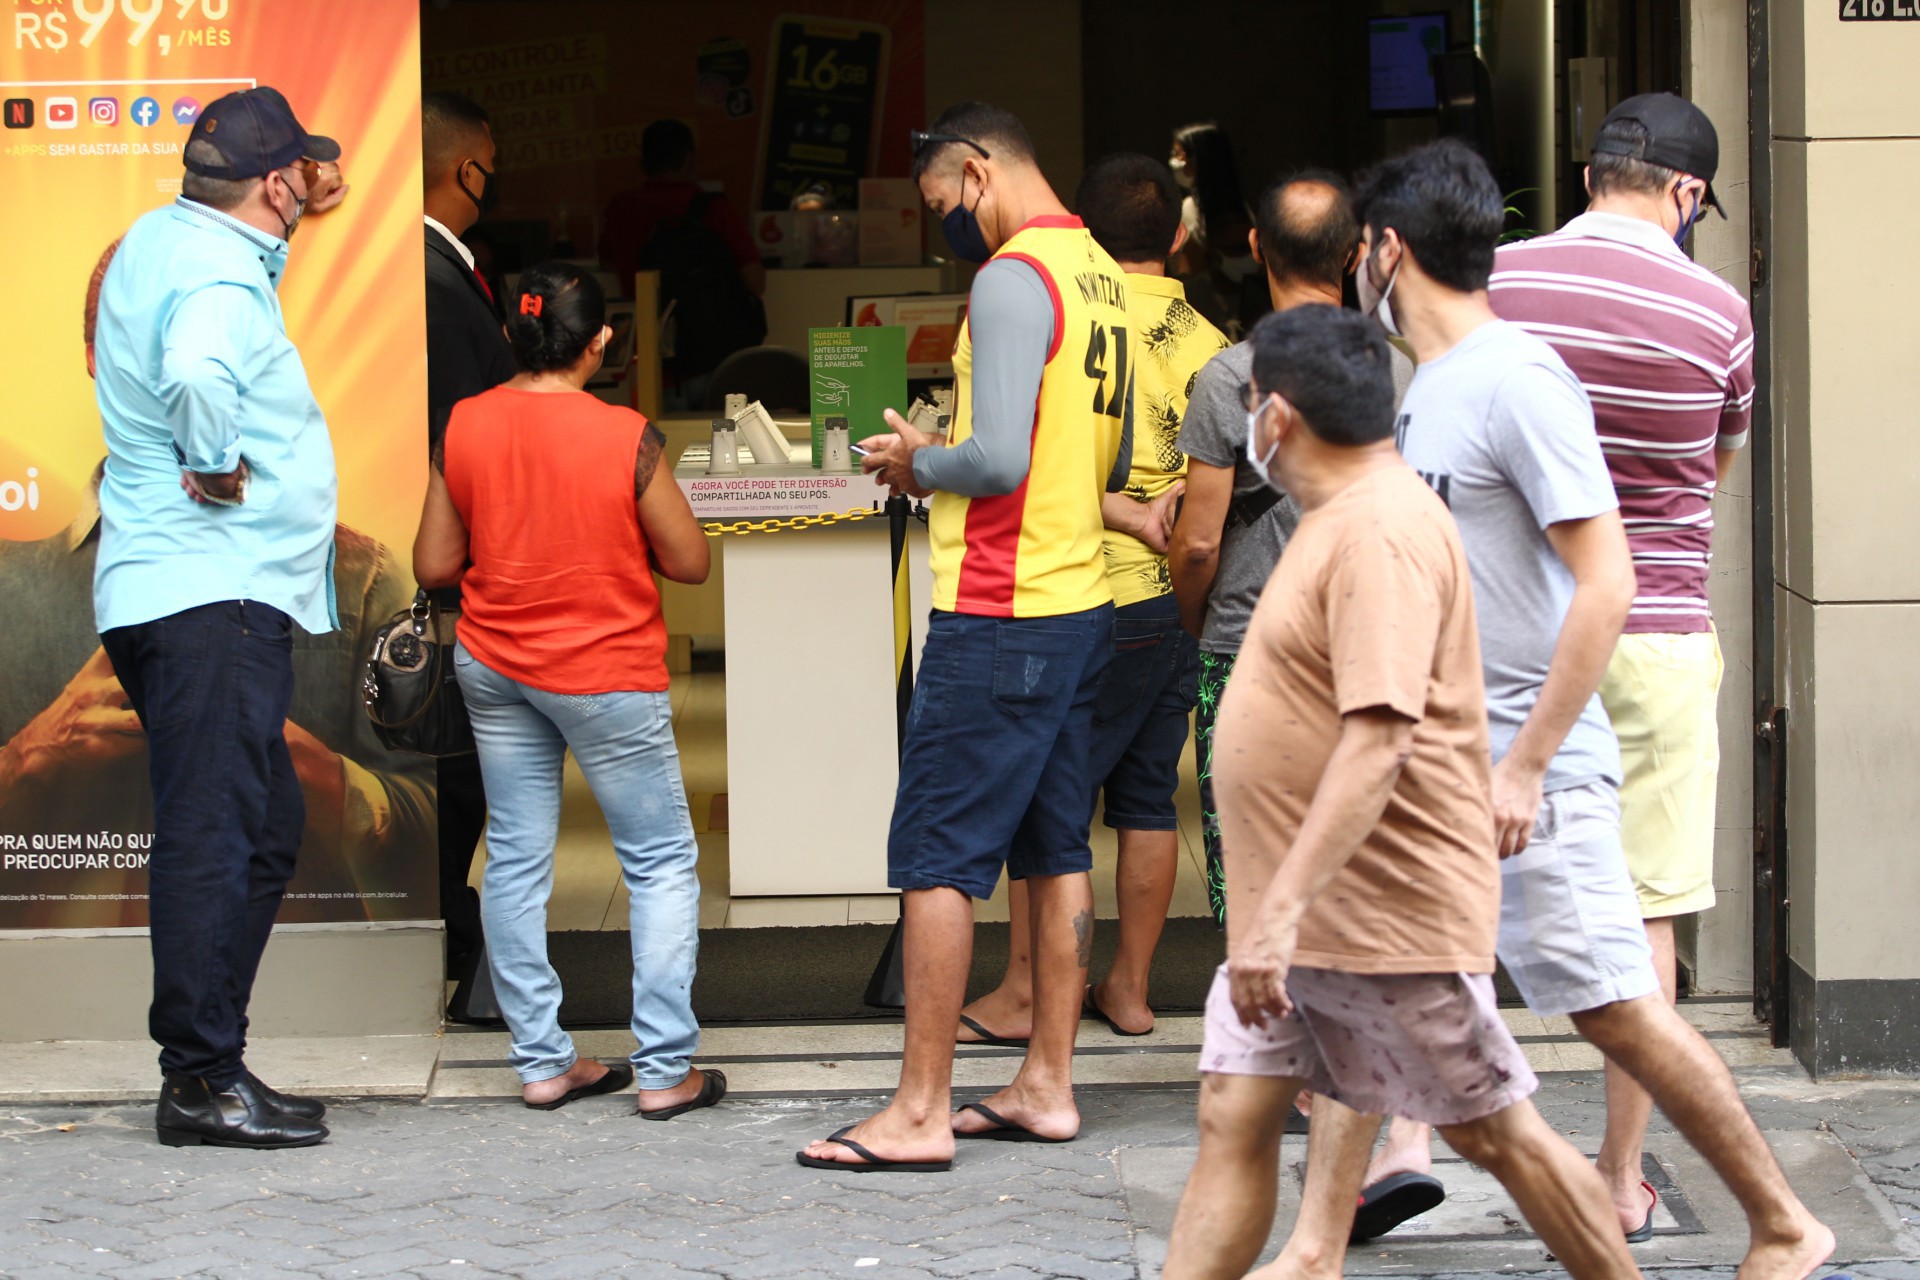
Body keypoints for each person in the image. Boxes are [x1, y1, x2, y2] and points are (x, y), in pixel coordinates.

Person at [1278, 139, 1831, 1280]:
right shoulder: (1428, 389)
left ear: (1386, 250)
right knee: (1369, 980)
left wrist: (1525, 766)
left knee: (1618, 1009)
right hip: (1439, 770)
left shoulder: (1514, 378)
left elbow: (1611, 580)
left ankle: (1785, 1220)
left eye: (1361, 254)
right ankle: (1314, 1247)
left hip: (1526, 776)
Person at [1160, 303, 1644, 1280]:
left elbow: (1380, 737)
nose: (1246, 422)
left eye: (1251, 405)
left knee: (1495, 1132)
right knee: (1234, 1113)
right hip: (1311, 913)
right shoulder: (1343, 516)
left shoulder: (1380, 529)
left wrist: (1279, 911)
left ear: (1280, 416)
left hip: (1377, 912)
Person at [797, 102, 1132, 1170]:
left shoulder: (1012, 276)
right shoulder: (1100, 273)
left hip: (1003, 605)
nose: (951, 227)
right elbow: (1089, 456)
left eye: (946, 204)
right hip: (1083, 598)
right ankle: (1047, 1082)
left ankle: (918, 1109)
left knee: (938, 853)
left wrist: (914, 463)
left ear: (980, 172)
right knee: (1056, 846)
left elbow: (997, 463)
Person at [1488, 92, 1764, 1240]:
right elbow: (1717, 466)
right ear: (1688, 195)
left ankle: (1410, 1135)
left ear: (1591, 172)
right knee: (1643, 908)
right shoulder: (1719, 311)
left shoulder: (1495, 283)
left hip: (1509, 634)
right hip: (1649, 631)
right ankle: (1616, 1177)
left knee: (1451, 882)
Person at [0, 241, 432, 930]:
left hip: (298, 986)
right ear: (94, 358)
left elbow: (435, 814)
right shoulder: (6, 593)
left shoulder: (358, 578)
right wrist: (30, 760)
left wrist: (319, 778)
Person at [412, 261, 724, 1117]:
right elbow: (690, 561)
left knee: (514, 858)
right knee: (659, 864)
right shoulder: (625, 436)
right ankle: (664, 1072)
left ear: (513, 334)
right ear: (602, 342)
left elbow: (435, 563)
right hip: (603, 672)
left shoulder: (464, 424)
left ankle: (543, 1062)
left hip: (496, 665)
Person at [90, 87, 340, 1148]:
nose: (307, 192)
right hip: (210, 590)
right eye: (300, 176)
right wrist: (216, 460)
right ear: (273, 182)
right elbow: (196, 367)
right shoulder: (220, 274)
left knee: (262, 824)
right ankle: (196, 1078)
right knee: (218, 830)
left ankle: (215, 1057)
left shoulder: (158, 238)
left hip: (174, 591)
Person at [955, 152, 1225, 1045]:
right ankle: (1133, 990)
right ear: (1179, 238)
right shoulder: (1214, 349)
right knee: (1150, 798)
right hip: (1179, 593)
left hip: (1087, 585)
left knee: (1052, 805)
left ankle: (1029, 990)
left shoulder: (1074, 314)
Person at [1169, 171, 1413, 928]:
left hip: (1250, 647)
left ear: (1253, 247)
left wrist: (1197, 623)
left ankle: (1272, 1035)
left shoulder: (1229, 378)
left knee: (1255, 875)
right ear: (1352, 255)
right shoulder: (1405, 368)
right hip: (1372, 647)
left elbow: (1200, 541)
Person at [421, 90, 516, 1005]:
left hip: (458, 568)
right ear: (467, 166)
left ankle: (456, 924)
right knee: (457, 771)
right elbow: (457, 440)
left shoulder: (439, 269)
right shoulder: (431, 281)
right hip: (457, 574)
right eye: (491, 158)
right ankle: (453, 934)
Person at [598, 120, 766, 405]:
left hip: (651, 362)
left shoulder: (621, 208)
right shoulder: (711, 208)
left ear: (644, 161)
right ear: (690, 158)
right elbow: (755, 280)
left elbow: (608, 263)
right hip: (713, 358)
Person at [1168, 122, 1260, 334]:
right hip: (1245, 318)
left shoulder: (1191, 210)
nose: (1175, 161)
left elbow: (1189, 270)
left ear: (1198, 158)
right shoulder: (1245, 208)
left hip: (1207, 314)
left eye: (1179, 154)